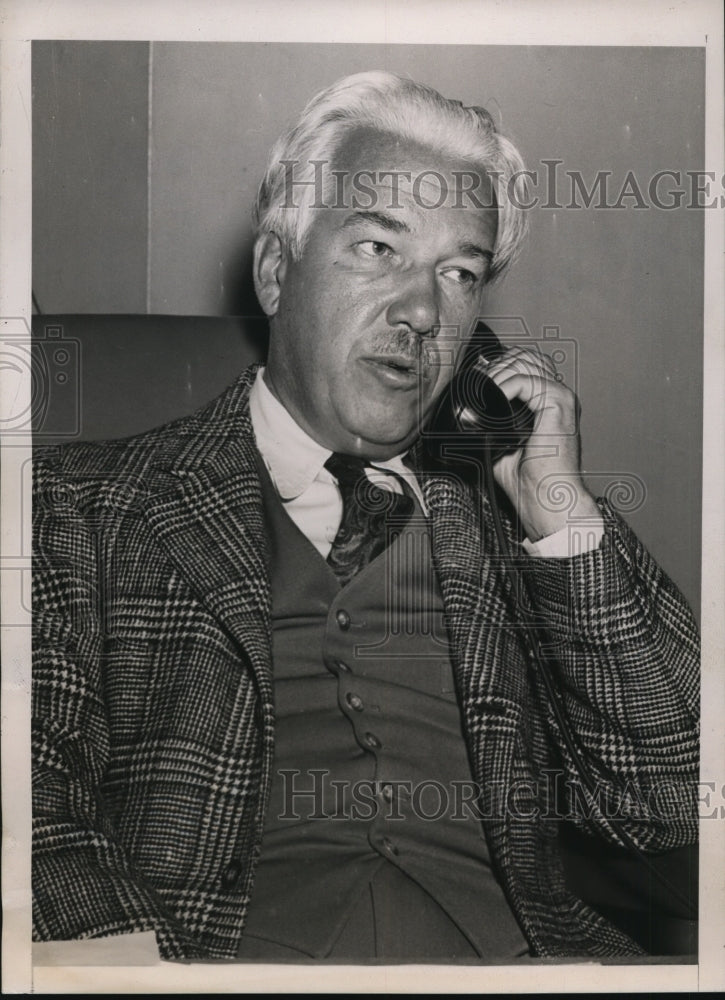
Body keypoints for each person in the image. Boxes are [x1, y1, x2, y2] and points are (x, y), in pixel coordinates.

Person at [32, 71, 699, 963]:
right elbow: (29, 799)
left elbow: (668, 801)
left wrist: (558, 513)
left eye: (459, 272)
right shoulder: (80, 504)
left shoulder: (518, 529)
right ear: (276, 270)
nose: (423, 312)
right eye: (378, 249)